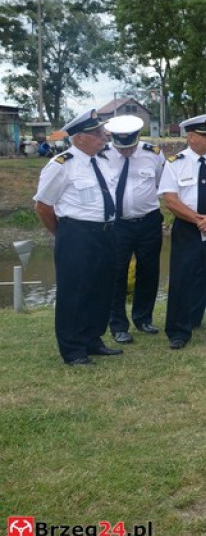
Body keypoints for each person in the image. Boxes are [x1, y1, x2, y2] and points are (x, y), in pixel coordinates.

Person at [33, 109, 123, 365]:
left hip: (106, 233)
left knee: (101, 289)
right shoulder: (61, 165)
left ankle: (92, 339)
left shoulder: (104, 161)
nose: (103, 137)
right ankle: (72, 350)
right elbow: (43, 206)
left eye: (102, 132)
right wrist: (62, 234)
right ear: (79, 137)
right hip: (77, 235)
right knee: (75, 292)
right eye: (97, 133)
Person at [158, 114, 206, 349]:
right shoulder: (175, 162)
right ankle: (178, 331)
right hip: (187, 229)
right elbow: (170, 200)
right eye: (205, 135)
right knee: (183, 279)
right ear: (191, 137)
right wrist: (197, 220)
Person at [106, 115, 166, 344]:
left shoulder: (154, 154)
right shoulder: (103, 156)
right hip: (117, 224)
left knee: (149, 272)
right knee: (117, 274)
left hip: (148, 221)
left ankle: (143, 318)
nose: (126, 152)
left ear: (138, 138)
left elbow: (162, 184)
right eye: (121, 147)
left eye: (130, 146)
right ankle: (118, 325)